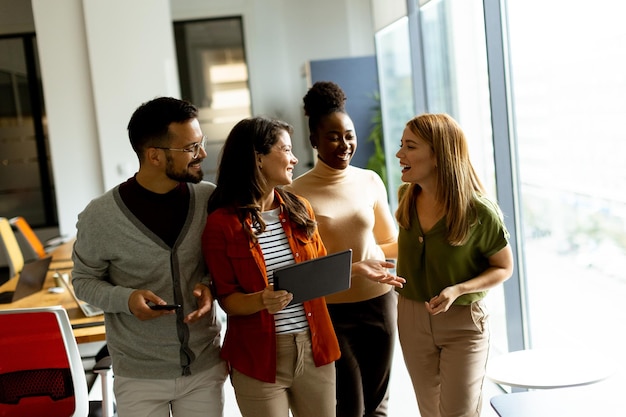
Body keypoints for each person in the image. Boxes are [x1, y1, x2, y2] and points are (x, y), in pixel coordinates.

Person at [72, 97, 226, 417]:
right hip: (138, 374)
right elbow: (84, 282)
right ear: (154, 155)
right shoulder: (100, 216)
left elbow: (220, 263)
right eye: (191, 147)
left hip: (203, 365)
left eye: (202, 143)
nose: (203, 154)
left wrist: (209, 284)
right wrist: (126, 300)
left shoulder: (209, 200)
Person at [201, 116, 341, 417]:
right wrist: (261, 300)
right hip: (257, 359)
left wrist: (357, 269)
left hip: (315, 349)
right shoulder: (221, 224)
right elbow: (227, 300)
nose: (294, 159)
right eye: (286, 149)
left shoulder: (299, 208)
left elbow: (320, 273)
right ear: (258, 157)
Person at [286, 81, 404, 417]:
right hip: (332, 312)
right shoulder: (295, 192)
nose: (344, 144)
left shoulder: (370, 180)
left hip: (380, 303)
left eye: (349, 135)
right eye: (333, 136)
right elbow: (303, 264)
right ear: (314, 141)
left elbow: (387, 242)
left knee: (378, 403)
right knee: (349, 405)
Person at [394, 113, 514, 417]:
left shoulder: (479, 211)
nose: (400, 154)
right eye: (401, 145)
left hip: (463, 323)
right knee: (429, 412)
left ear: (438, 155)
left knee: (458, 413)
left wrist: (458, 289)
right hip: (411, 317)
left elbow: (503, 267)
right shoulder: (406, 196)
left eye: (410, 146)